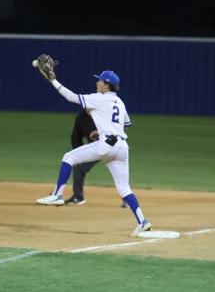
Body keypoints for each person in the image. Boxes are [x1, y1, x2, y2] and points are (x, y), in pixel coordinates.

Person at [35, 69, 152, 236]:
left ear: (107, 85)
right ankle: (142, 221)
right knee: (124, 188)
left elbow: (71, 97)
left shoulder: (99, 98)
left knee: (69, 157)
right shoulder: (120, 102)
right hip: (122, 147)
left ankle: (57, 195)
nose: (97, 83)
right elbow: (125, 124)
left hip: (107, 145)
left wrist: (53, 81)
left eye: (100, 81)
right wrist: (104, 129)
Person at [64, 110, 99, 205]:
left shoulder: (103, 114)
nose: (90, 109)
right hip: (95, 149)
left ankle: (127, 199)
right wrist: (79, 156)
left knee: (119, 172)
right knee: (78, 166)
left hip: (114, 148)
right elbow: (76, 137)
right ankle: (78, 196)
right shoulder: (81, 118)